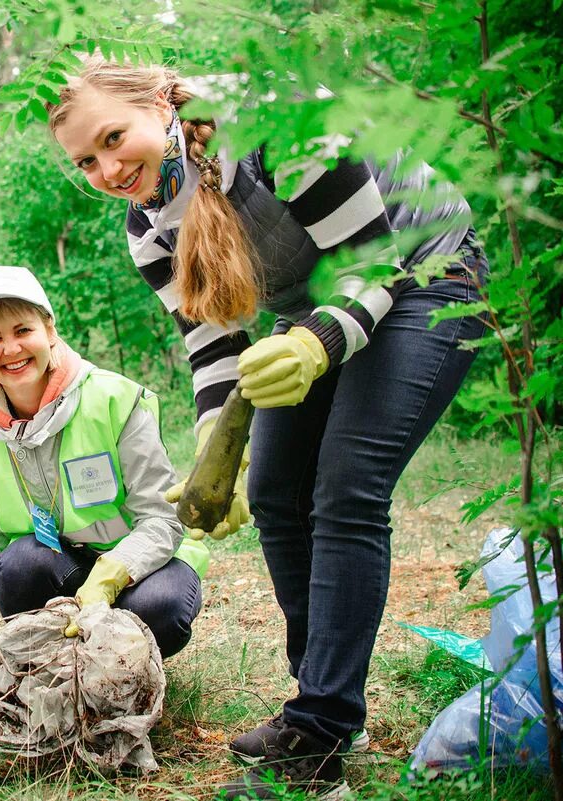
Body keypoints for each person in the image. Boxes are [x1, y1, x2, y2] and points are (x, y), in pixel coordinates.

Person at [50, 59, 489, 799]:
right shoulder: (145, 228)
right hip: (313, 306)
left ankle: (317, 734)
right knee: (277, 492)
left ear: (161, 102)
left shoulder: (282, 136)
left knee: (346, 487)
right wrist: (213, 439)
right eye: (85, 160)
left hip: (424, 271)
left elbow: (375, 261)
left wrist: (318, 343)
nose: (106, 167)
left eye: (112, 138)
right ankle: (318, 699)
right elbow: (213, 340)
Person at [0, 266, 209, 664]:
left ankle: (121, 672)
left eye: (22, 330)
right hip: (60, 565)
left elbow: (162, 521)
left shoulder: (113, 400)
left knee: (159, 606)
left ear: (49, 330)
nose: (11, 349)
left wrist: (111, 574)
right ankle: (57, 673)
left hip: (143, 567)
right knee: (18, 565)